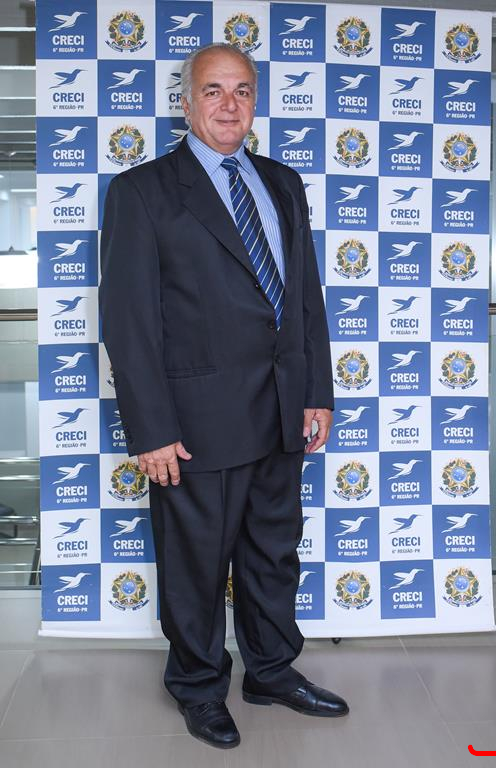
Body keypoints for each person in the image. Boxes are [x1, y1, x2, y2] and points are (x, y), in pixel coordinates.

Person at [99, 42, 348, 750]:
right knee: (196, 566)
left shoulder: (281, 182)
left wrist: (316, 390)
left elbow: (303, 296)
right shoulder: (142, 190)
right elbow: (128, 319)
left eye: (242, 90)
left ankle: (270, 670)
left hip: (281, 410)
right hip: (194, 422)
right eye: (213, 90)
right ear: (186, 102)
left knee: (273, 554)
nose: (229, 104)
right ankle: (198, 686)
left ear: (256, 101)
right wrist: (150, 428)